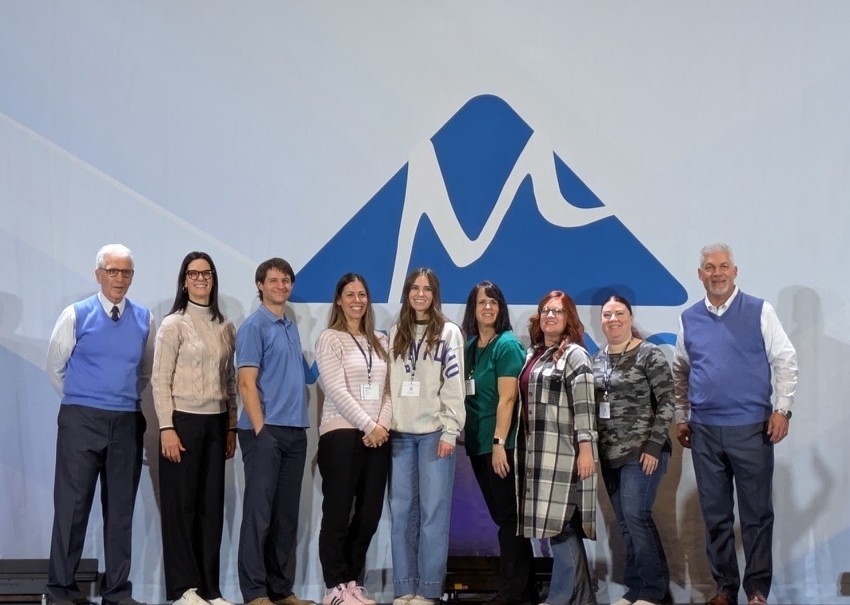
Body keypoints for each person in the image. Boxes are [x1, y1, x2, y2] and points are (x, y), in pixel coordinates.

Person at [673, 243, 798, 605]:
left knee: (757, 515)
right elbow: (681, 371)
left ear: (735, 271)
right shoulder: (689, 318)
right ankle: (725, 589)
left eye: (723, 266)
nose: (717, 273)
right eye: (709, 267)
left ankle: (757, 591)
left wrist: (782, 410)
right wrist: (684, 417)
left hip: (752, 429)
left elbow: (785, 360)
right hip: (705, 432)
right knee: (716, 516)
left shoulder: (760, 310)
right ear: (700, 275)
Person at [45, 243, 154, 605]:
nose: (119, 279)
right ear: (98, 274)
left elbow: (144, 372)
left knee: (120, 511)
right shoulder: (76, 315)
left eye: (125, 272)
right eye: (112, 271)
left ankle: (118, 592)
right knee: (72, 509)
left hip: (126, 422)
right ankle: (60, 590)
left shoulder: (144, 319)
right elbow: (56, 367)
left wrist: (118, 400)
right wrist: (84, 398)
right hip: (81, 421)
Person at [152, 252, 237, 605]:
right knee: (181, 507)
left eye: (206, 272)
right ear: (184, 280)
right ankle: (183, 590)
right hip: (182, 422)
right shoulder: (173, 324)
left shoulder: (225, 326)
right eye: (193, 273)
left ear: (213, 279)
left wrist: (231, 427)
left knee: (210, 507)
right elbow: (159, 380)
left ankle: (209, 589)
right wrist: (166, 428)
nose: (200, 278)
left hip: (216, 423)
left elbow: (230, 380)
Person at [235, 258, 313, 605]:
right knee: (259, 514)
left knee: (285, 517)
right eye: (274, 280)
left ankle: (281, 590)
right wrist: (260, 429)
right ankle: (254, 592)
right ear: (260, 285)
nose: (281, 286)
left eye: (286, 281)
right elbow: (246, 383)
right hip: (265, 433)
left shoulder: (290, 326)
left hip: (296, 431)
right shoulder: (254, 326)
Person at [388, 268, 465, 605]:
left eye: (427, 289)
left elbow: (454, 386)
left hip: (435, 435)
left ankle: (429, 590)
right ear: (407, 293)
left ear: (435, 294)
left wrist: (451, 429)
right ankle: (405, 587)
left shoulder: (449, 334)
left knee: (433, 514)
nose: (420, 294)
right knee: (402, 514)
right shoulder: (395, 333)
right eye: (414, 288)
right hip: (400, 437)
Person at [314, 273, 393, 605]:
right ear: (339, 300)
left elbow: (389, 390)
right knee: (337, 512)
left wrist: (381, 426)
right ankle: (335, 585)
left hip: (377, 436)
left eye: (362, 294)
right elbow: (335, 388)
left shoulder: (381, 340)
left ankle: (352, 581)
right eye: (350, 294)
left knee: (370, 512)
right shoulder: (330, 338)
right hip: (341, 434)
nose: (357, 300)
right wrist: (367, 424)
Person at [591, 295, 674, 605]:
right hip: (609, 453)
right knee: (626, 522)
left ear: (630, 317)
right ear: (601, 320)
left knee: (637, 516)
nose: (613, 319)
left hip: (642, 453)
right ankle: (636, 589)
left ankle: (654, 591)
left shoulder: (649, 354)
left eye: (619, 313)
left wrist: (653, 445)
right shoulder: (597, 358)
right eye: (607, 314)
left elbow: (667, 401)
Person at [516, 290, 597, 605]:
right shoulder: (532, 354)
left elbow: (585, 406)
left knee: (560, 527)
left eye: (558, 311)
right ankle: (584, 599)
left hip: (564, 454)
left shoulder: (575, 355)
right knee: (561, 528)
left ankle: (559, 599)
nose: (550, 316)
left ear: (568, 319)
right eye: (546, 310)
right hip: (537, 455)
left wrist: (586, 448)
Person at [460, 281, 537, 605]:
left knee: (509, 519)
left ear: (501, 308)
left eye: (493, 301)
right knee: (504, 518)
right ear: (472, 309)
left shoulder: (506, 345)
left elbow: (508, 400)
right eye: (481, 302)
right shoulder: (470, 346)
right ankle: (526, 589)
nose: (488, 307)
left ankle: (515, 592)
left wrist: (498, 443)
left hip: (500, 446)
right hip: (477, 445)